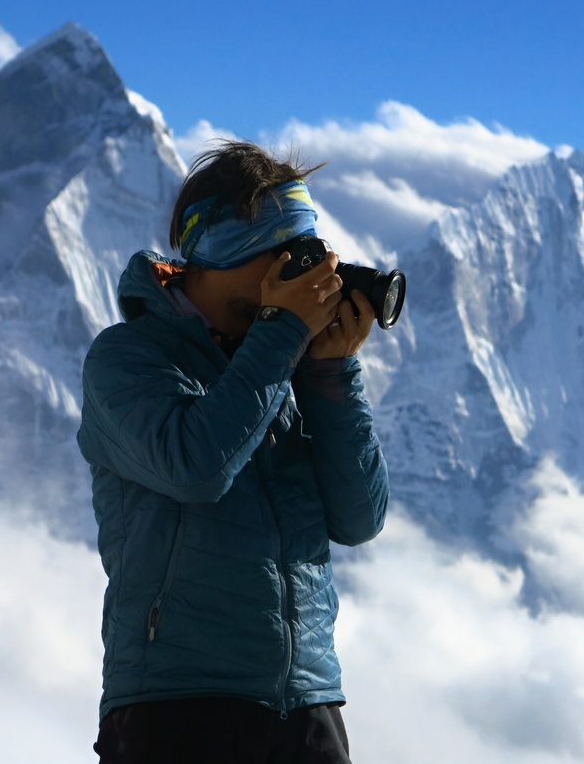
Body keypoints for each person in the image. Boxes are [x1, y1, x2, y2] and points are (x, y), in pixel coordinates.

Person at [77, 140, 389, 763]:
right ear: (224, 247)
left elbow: (359, 519)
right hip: (177, 704)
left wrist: (330, 374)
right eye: (287, 256)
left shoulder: (280, 360)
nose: (305, 278)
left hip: (306, 703)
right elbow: (196, 467)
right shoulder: (128, 356)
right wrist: (283, 336)